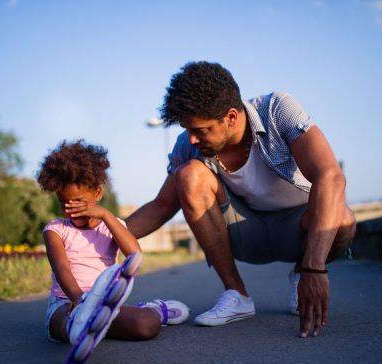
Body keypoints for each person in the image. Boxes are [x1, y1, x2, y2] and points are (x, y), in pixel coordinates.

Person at [126, 62, 356, 338]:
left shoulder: (277, 110)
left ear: (231, 117)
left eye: (200, 130)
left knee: (342, 219)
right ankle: (236, 295)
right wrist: (101, 231)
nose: (192, 139)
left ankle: (299, 276)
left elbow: (331, 176)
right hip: (245, 233)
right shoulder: (188, 146)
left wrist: (313, 268)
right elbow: (162, 206)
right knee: (188, 175)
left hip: (298, 230)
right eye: (188, 130)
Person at [37, 140, 189, 345]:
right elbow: (62, 268)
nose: (71, 210)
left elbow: (135, 257)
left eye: (79, 202)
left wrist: (106, 216)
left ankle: (154, 310)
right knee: (60, 324)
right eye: (64, 204)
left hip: (103, 305)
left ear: (97, 193)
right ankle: (76, 328)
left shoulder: (111, 225)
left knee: (145, 325)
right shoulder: (55, 230)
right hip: (67, 302)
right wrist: (79, 300)